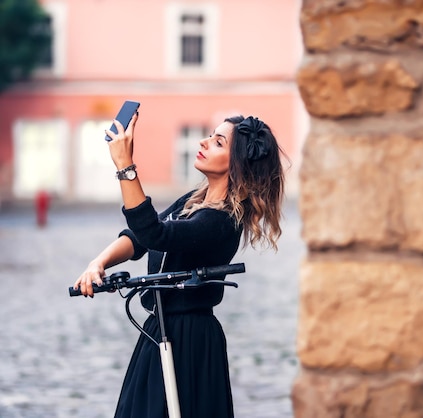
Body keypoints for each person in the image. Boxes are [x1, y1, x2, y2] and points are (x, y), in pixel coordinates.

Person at [73, 111, 285, 418]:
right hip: (159, 330)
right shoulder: (194, 200)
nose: (204, 142)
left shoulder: (222, 220)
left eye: (217, 142)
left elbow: (155, 234)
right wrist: (98, 262)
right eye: (211, 136)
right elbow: (139, 238)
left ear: (236, 161)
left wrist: (126, 168)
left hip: (190, 338)